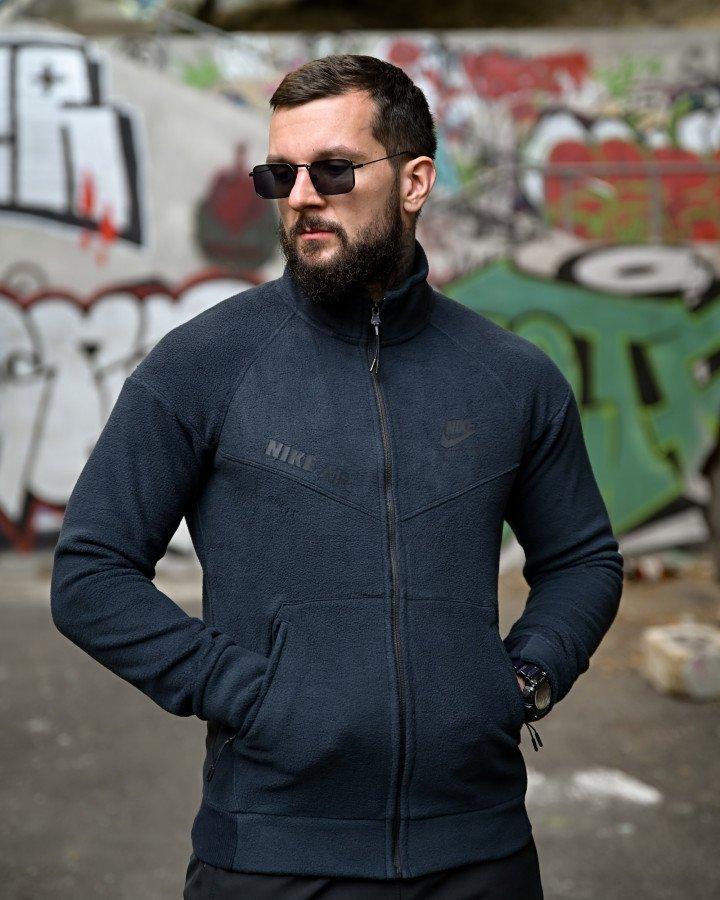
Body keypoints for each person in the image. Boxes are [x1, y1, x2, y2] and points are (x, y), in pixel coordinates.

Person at [50, 54, 624, 898]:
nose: (301, 196)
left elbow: (583, 559)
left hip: (480, 850)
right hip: (270, 855)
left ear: (415, 181)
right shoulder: (203, 365)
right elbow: (90, 573)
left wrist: (524, 679)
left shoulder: (511, 377)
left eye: (333, 169)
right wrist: (252, 694)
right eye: (279, 174)